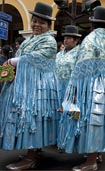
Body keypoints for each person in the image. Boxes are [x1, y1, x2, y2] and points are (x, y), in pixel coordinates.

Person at [58, 6, 105, 171]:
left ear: (92, 25)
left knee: (90, 120)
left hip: (92, 86)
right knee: (100, 120)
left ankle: (91, 161)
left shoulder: (91, 39)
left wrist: (72, 92)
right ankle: (97, 154)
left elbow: (82, 67)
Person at [0, 2, 58, 170]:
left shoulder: (49, 41)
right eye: (35, 21)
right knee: (28, 118)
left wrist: (12, 61)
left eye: (41, 22)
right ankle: (34, 150)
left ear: (48, 25)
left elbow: (35, 58)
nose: (36, 25)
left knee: (32, 117)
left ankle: (31, 156)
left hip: (38, 86)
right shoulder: (30, 39)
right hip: (26, 83)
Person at [56, 25, 81, 104]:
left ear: (75, 40)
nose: (65, 41)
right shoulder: (59, 54)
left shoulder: (80, 54)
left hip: (72, 87)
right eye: (65, 38)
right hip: (57, 86)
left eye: (69, 38)